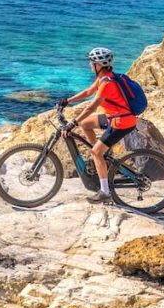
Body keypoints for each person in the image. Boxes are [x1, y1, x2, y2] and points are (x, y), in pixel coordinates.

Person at [58, 47, 138, 203]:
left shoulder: (107, 83)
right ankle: (103, 157)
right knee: (85, 123)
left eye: (92, 62)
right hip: (113, 117)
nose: (90, 65)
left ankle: (105, 191)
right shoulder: (104, 77)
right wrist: (68, 100)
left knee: (95, 152)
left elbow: (91, 107)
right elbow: (88, 92)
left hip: (121, 121)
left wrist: (72, 123)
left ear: (99, 64)